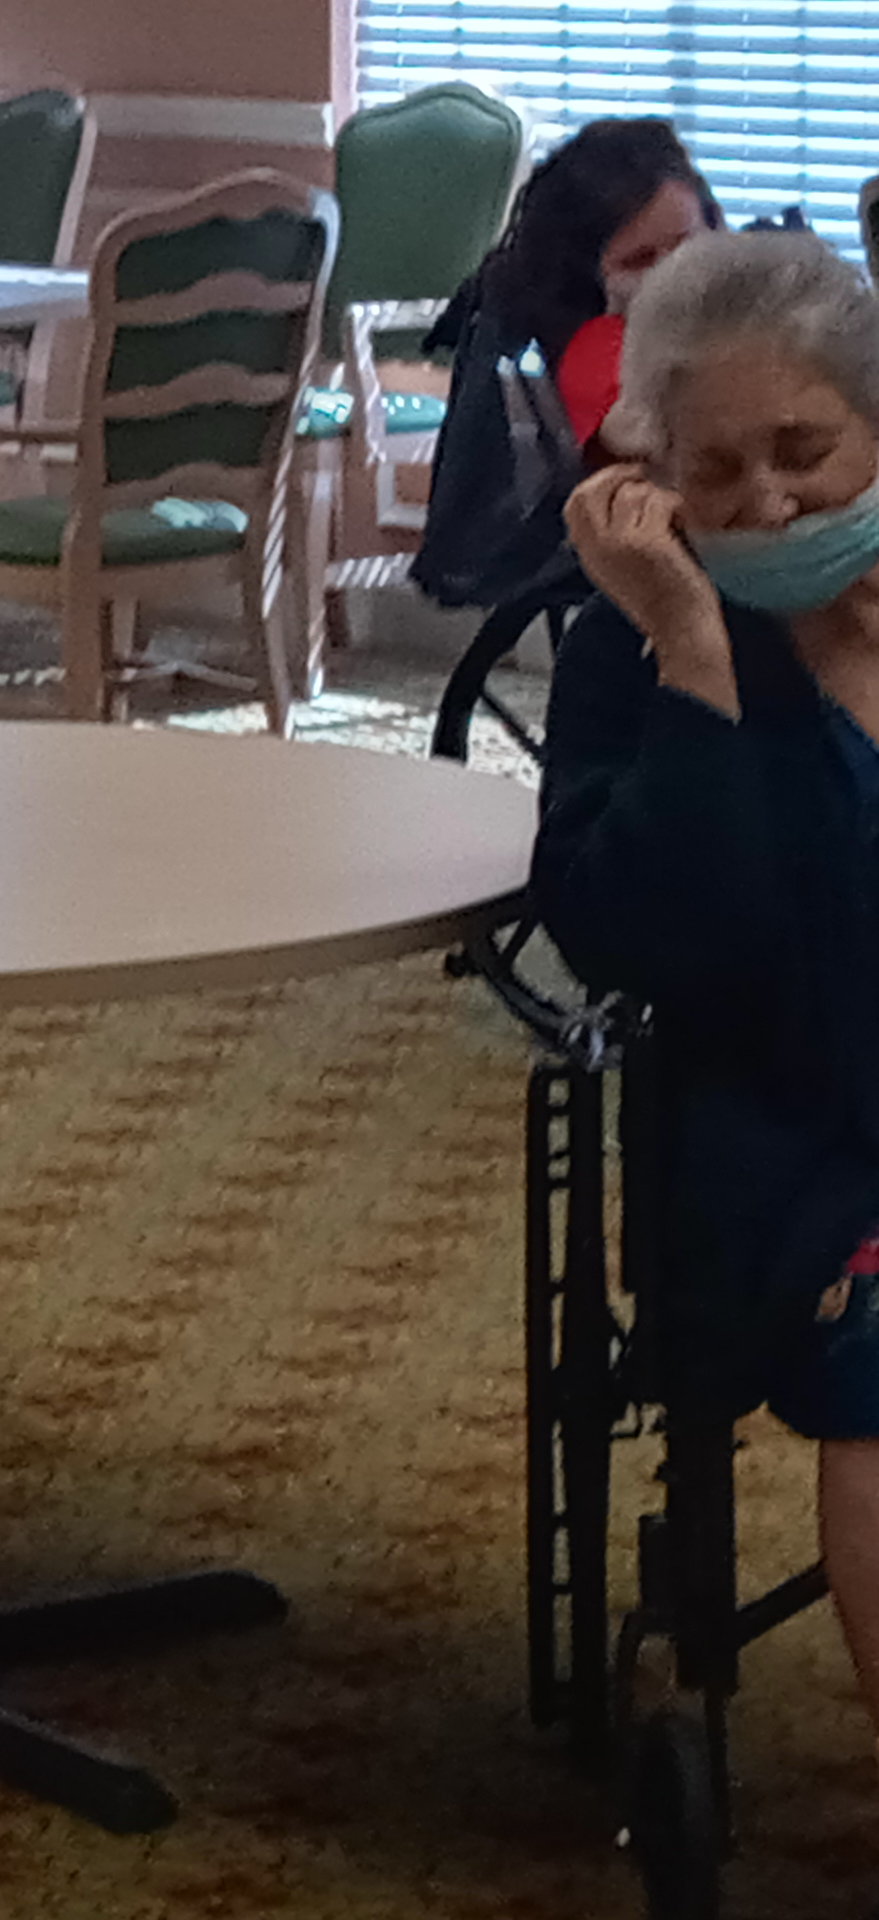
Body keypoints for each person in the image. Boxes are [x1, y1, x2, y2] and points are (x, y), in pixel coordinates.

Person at [540, 228, 879, 1784]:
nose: (769, 504)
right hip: (798, 1156)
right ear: (657, 479)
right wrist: (692, 649)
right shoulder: (632, 652)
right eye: (719, 469)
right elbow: (660, 939)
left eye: (805, 451)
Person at [473, 119, 721, 464]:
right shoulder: (600, 359)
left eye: (686, 246)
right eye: (639, 261)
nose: (673, 274)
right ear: (588, 281)